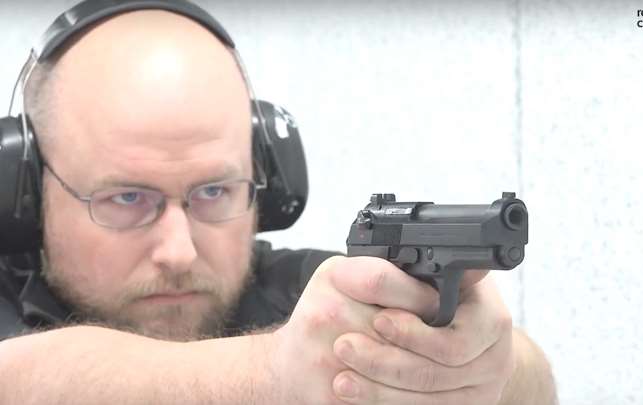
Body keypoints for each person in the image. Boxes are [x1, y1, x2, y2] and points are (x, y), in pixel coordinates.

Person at [0, 1, 557, 404]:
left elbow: (534, 380)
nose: (179, 252)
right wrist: (269, 373)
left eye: (214, 192)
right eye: (126, 198)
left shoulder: (305, 292)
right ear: (26, 193)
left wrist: (481, 363)